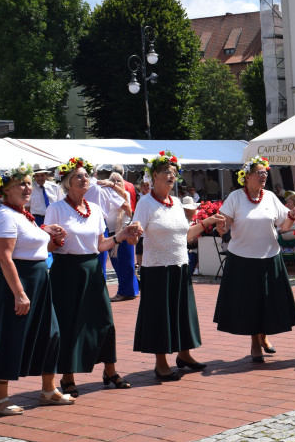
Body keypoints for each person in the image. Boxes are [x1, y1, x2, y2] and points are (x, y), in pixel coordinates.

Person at [0, 163, 70, 415]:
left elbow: (38, 251)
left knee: (50, 333)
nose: (27, 187)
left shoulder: (24, 215)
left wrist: (50, 237)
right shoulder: (4, 215)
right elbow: (5, 256)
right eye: (22, 183)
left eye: (29, 183)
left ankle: (48, 390)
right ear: (7, 190)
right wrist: (19, 293)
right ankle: (0, 397)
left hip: (40, 281)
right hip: (19, 282)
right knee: (12, 335)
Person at [46, 158, 139, 396]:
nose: (85, 179)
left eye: (86, 175)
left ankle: (110, 369)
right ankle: (68, 376)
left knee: (104, 320)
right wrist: (54, 239)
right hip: (66, 271)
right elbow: (48, 247)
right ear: (67, 182)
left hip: (92, 269)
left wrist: (121, 235)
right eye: (79, 176)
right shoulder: (55, 209)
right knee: (68, 323)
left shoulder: (95, 209)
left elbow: (100, 245)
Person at [127, 151, 208, 381]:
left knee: (182, 312)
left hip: (180, 265)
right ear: (154, 176)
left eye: (174, 173)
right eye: (166, 172)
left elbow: (184, 235)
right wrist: (133, 235)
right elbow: (135, 235)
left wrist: (205, 223)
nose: (171, 177)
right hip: (157, 268)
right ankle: (161, 362)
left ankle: (184, 354)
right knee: (159, 315)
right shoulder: (145, 203)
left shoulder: (176, 203)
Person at [212, 156, 295, 362]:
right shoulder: (235, 197)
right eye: (260, 173)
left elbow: (284, 227)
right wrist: (220, 226)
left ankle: (264, 337)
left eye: (265, 173)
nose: (264, 176)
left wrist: (292, 217)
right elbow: (223, 226)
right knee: (250, 303)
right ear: (247, 176)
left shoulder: (270, 197)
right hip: (243, 260)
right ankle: (255, 342)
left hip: (270, 257)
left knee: (268, 302)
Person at [107, 171, 139, 302]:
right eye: (113, 180)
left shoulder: (124, 194)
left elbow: (127, 208)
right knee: (118, 263)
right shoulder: (108, 195)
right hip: (112, 232)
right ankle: (131, 289)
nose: (116, 183)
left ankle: (125, 291)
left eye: (118, 180)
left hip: (123, 232)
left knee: (124, 263)